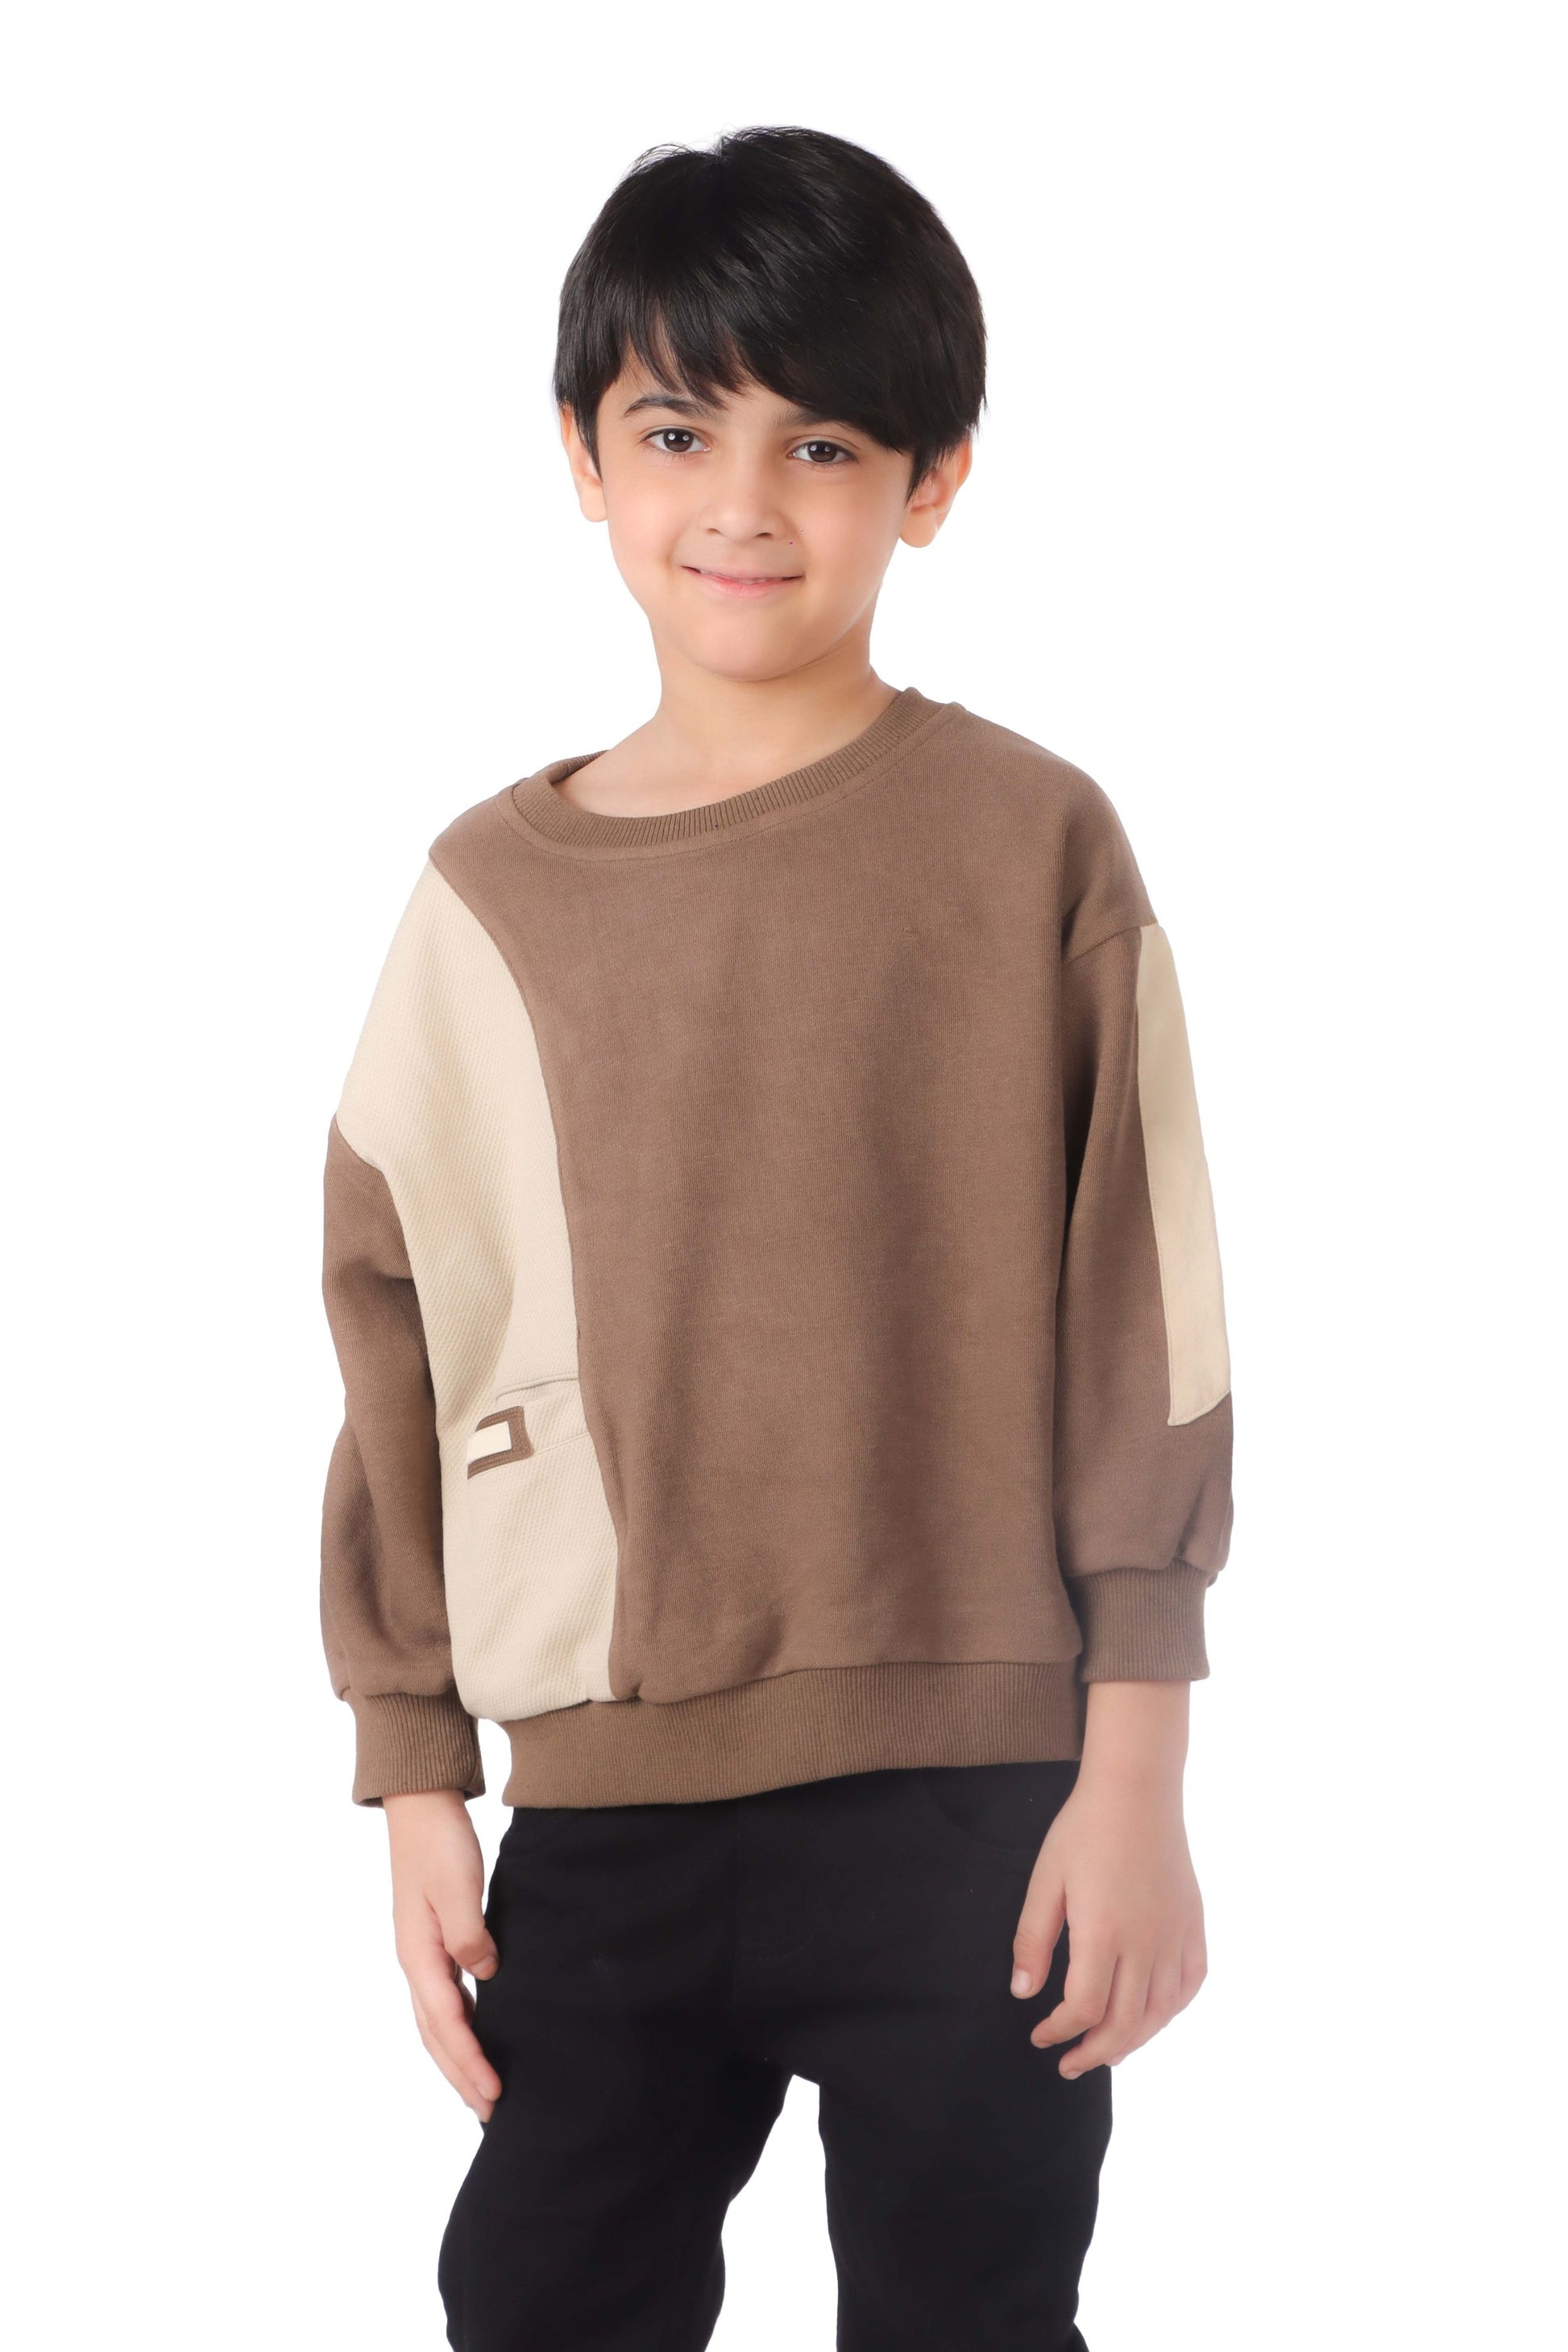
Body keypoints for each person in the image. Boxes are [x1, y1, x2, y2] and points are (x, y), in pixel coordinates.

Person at [319, 123, 1235, 2352]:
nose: (743, 501)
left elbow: (1146, 1313)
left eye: (820, 442)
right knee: (537, 2300)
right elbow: (397, 1335)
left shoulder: (1030, 839)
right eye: (677, 431)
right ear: (580, 456)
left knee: (969, 2316)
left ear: (931, 481)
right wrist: (415, 1769)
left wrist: (1135, 1777)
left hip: (975, 1799)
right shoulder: (486, 896)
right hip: (608, 1797)